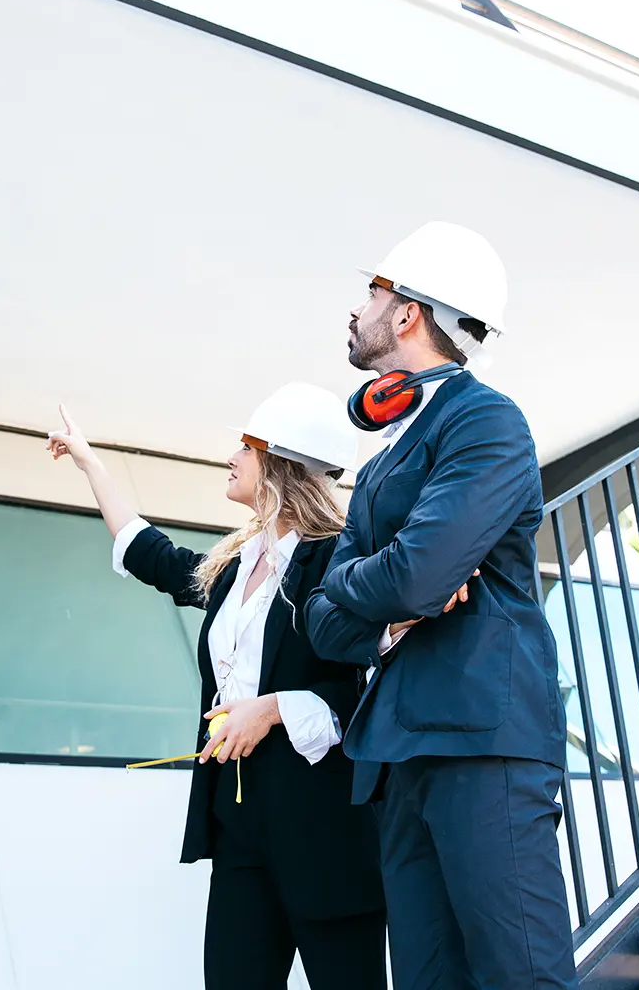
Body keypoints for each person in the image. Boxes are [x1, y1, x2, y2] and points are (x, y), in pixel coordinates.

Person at [306, 223, 576, 988]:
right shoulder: (386, 453)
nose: (356, 311)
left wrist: (376, 584)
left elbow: (416, 576)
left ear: (407, 314)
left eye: (372, 293)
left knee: (519, 973)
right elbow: (326, 621)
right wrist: (381, 600)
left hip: (481, 741)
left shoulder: (485, 420)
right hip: (399, 753)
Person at [47, 385, 387, 990]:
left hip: (325, 830)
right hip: (240, 822)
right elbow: (151, 555)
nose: (231, 456)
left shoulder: (339, 558)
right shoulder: (235, 563)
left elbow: (373, 686)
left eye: (247, 446)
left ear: (281, 464)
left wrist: (275, 709)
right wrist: (91, 464)